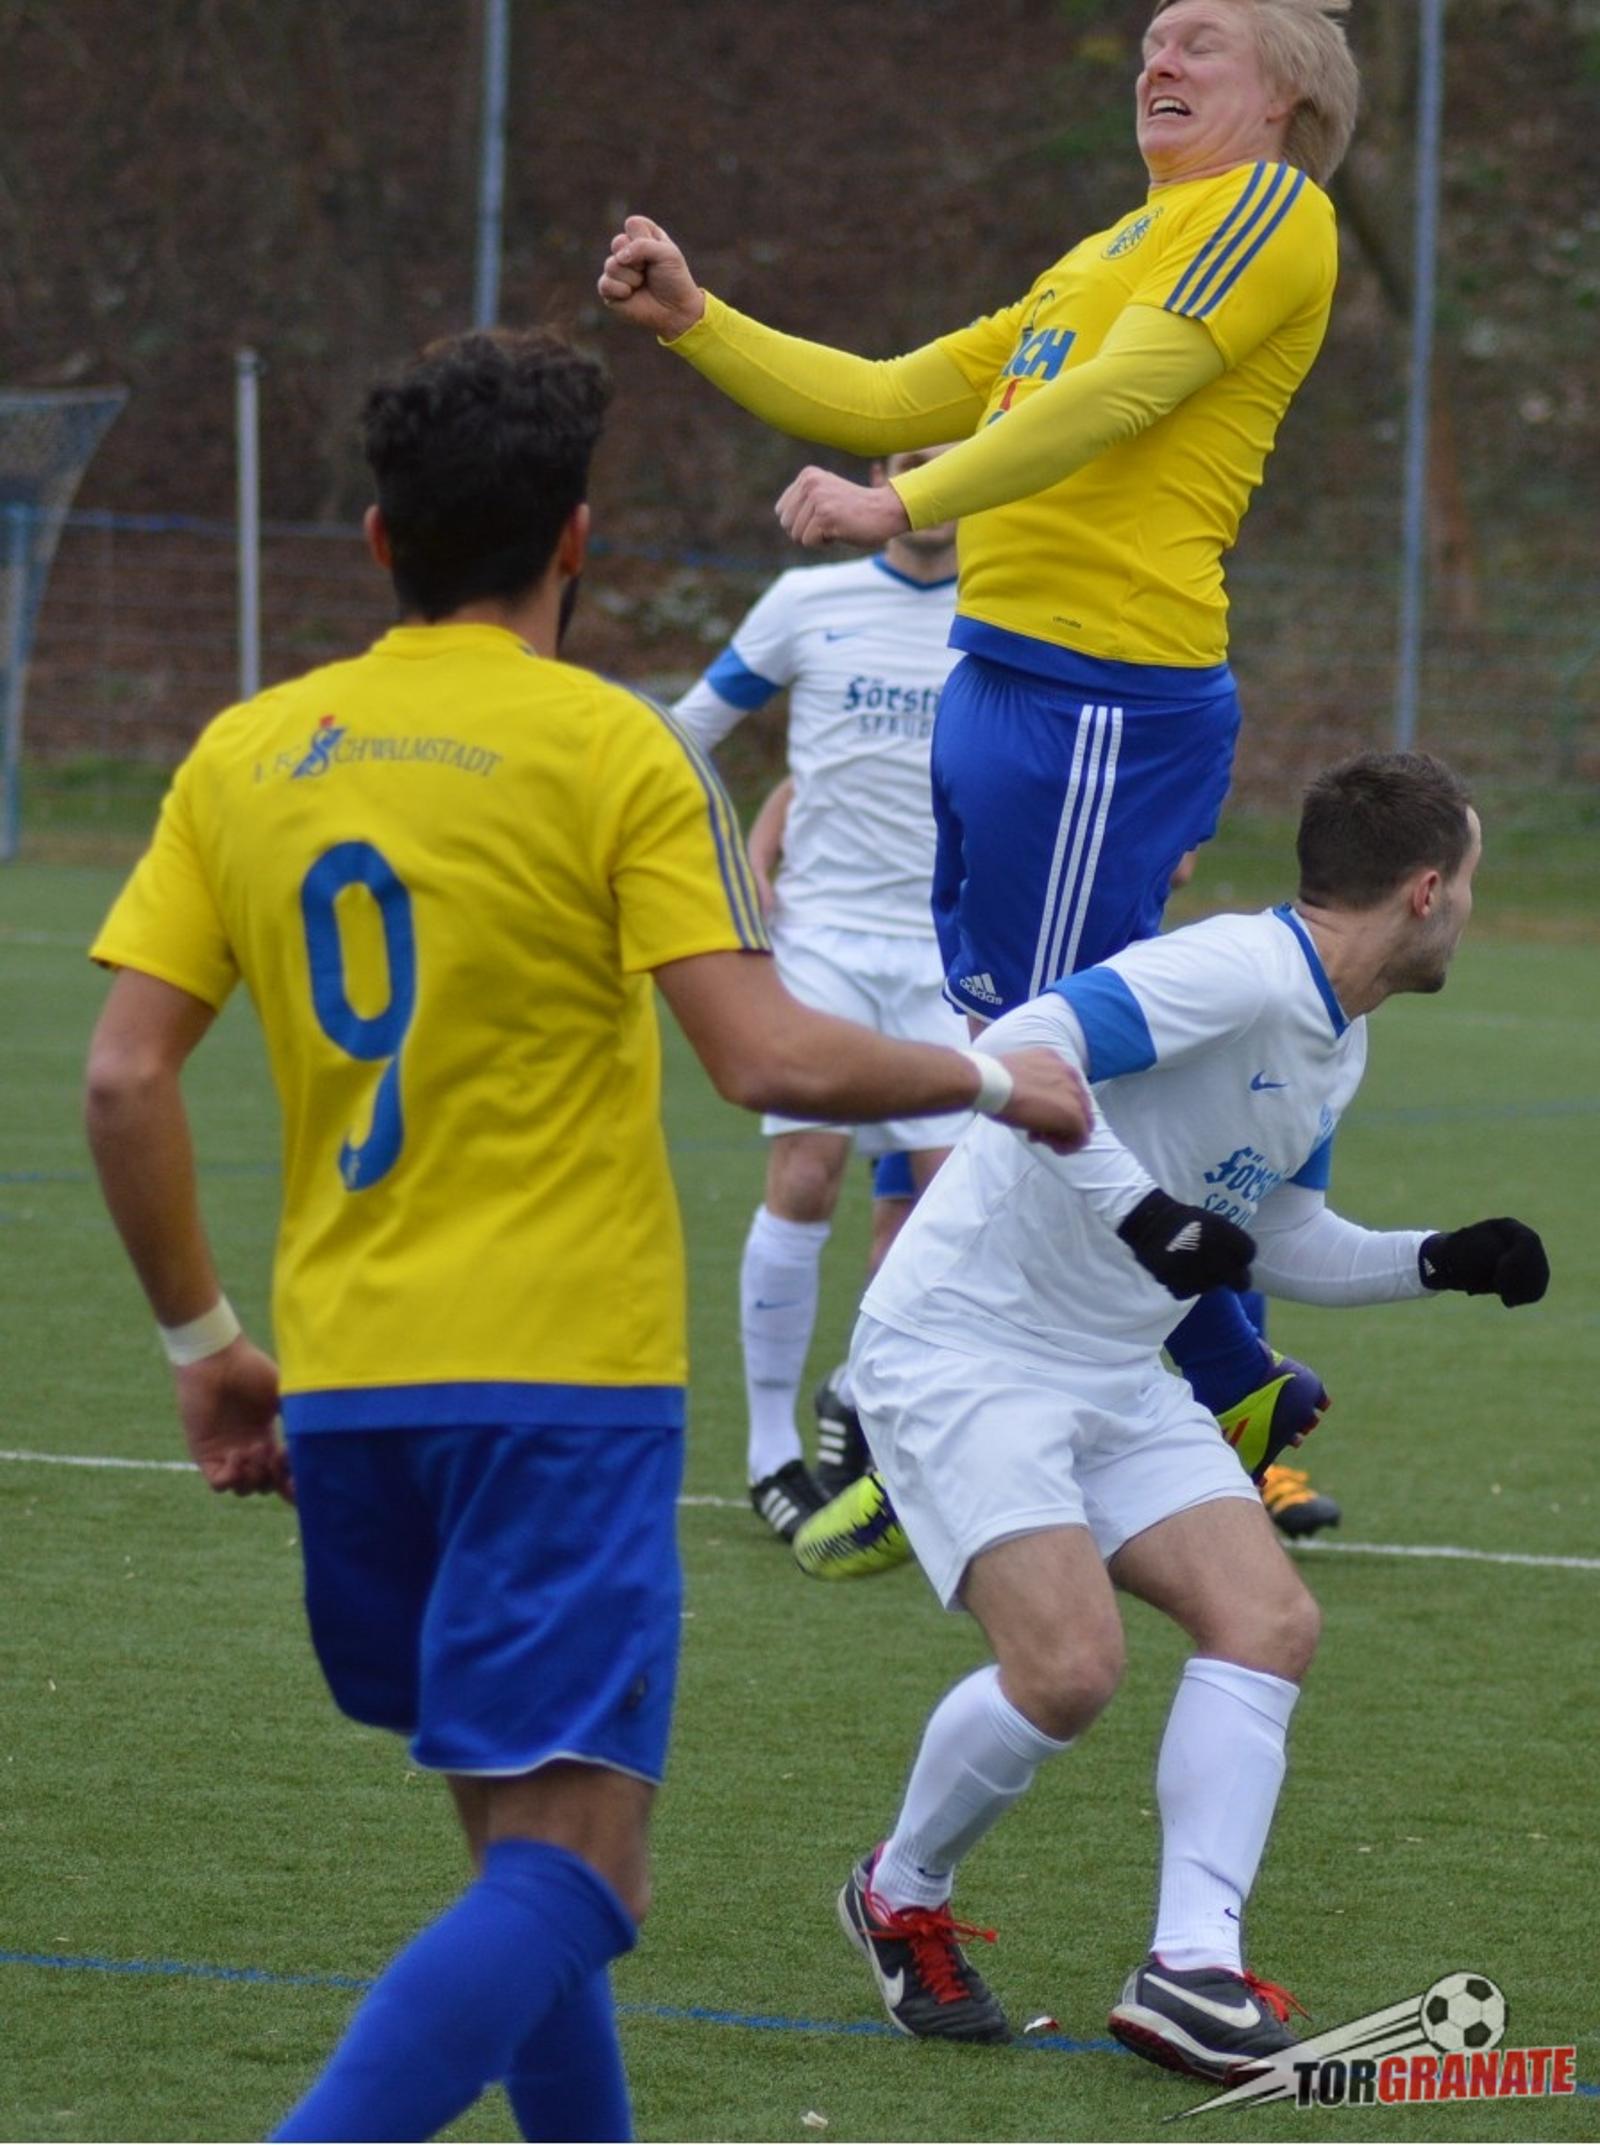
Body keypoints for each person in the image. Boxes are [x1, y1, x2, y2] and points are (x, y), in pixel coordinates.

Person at [81, 329, 1091, 2144]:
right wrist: (995, 1079)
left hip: (353, 1392)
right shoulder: (617, 750)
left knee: (519, 1855)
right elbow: (765, 1056)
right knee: (583, 1877)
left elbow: (123, 1077)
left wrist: (203, 1347)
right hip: (561, 1391)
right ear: (577, 538)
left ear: (378, 539)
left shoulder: (249, 749)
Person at [598, 0, 1363, 1527]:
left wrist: (906, 505)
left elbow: (1119, 399)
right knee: (1023, 1050)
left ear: (1286, 92)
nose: (1158, 60)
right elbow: (887, 397)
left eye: (1200, 42)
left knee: (1037, 1061)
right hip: (1010, 682)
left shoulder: (1269, 211)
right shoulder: (1103, 253)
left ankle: (987, 1396)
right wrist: (697, 320)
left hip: (1101, 692)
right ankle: (1219, 1369)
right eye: (1150, 41)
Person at [817, 752, 1548, 2079]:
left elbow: (1280, 1235)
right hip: (962, 1348)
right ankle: (897, 1893)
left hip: (1111, 1365)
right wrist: (1141, 1211)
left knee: (1268, 1622)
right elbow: (1021, 1044)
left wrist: (1439, 1260)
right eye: (1470, 884)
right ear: (1425, 890)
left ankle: (1189, 1969)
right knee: (1068, 1669)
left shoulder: (1338, 1033)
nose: (1468, 910)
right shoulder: (1239, 970)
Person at [671, 448, 968, 1538]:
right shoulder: (808, 601)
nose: (927, 481)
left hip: (947, 952)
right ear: (879, 474)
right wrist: (731, 865)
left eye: (950, 460)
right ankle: (770, 1451)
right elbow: (683, 735)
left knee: (959, 1203)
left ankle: (860, 1384)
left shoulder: (1011, 610)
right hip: (821, 940)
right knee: (807, 1170)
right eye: (910, 460)